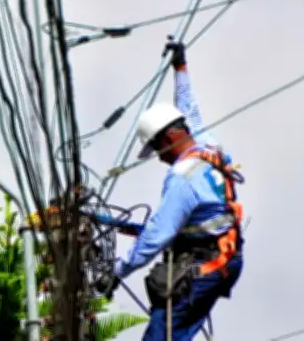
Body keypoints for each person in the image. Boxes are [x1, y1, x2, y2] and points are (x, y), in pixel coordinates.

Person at [101, 40, 246, 340]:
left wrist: (117, 272)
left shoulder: (182, 177)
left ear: (168, 138)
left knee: (161, 333)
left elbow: (158, 234)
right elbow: (188, 107)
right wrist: (180, 67)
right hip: (226, 253)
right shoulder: (206, 144)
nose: (159, 157)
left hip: (208, 262)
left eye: (156, 148)